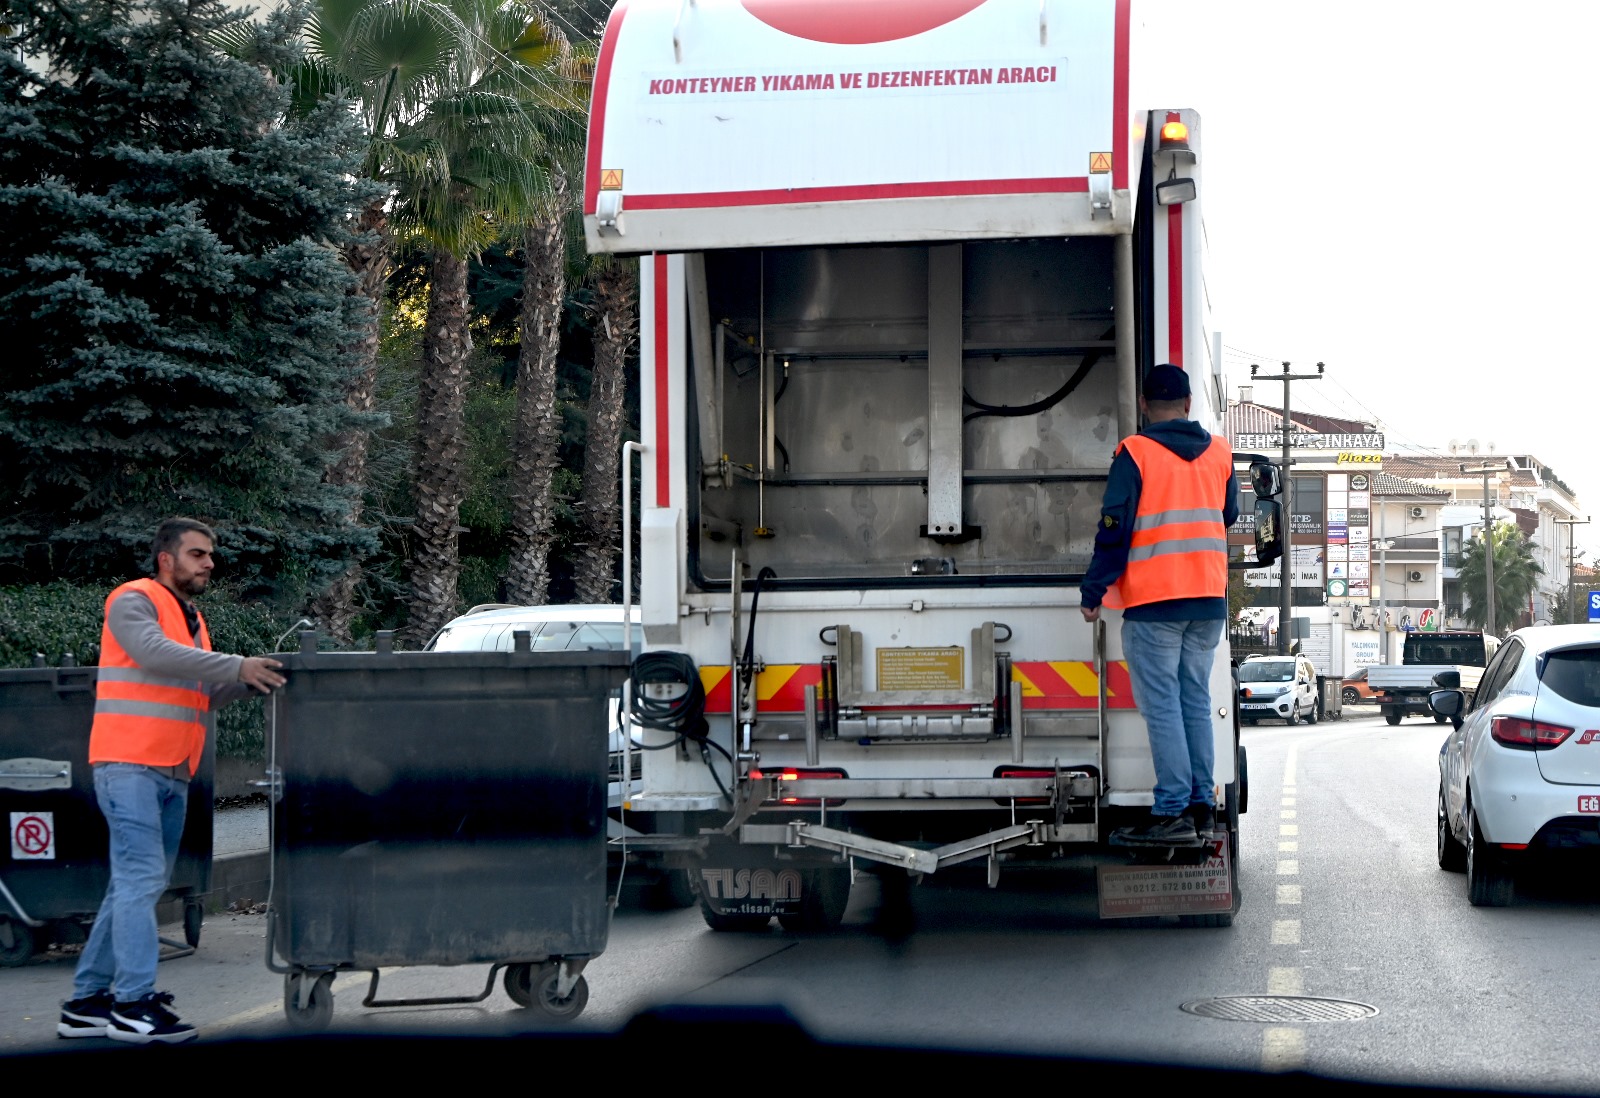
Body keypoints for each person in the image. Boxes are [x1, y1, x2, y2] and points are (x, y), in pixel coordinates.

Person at [59, 518, 286, 1044]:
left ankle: (86, 1002)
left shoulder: (193, 620)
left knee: (131, 887)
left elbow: (198, 695)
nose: (209, 563)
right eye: (198, 554)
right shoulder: (132, 599)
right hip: (129, 765)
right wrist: (234, 665)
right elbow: (152, 654)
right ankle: (133, 1005)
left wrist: (257, 680)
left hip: (172, 771)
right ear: (167, 559)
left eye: (210, 555)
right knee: (139, 882)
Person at [1079, 364, 1239, 847]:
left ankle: (1171, 808)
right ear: (1189, 404)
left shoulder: (1136, 452)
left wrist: (1093, 592)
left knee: (1164, 706)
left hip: (1155, 601)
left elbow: (1115, 527)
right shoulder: (1220, 453)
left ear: (1145, 406)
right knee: (1194, 700)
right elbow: (1227, 513)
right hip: (1208, 600)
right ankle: (1199, 806)